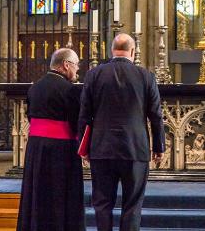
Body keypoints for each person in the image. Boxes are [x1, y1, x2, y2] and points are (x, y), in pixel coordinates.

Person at [78, 33, 165, 231]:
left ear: (112, 50)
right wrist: (159, 146)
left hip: (101, 148)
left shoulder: (94, 74)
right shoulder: (146, 76)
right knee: (132, 205)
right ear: (132, 52)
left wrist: (82, 147)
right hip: (135, 149)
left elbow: (84, 114)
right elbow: (156, 115)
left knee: (102, 204)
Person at [17, 48, 84, 231]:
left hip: (36, 149)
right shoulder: (70, 90)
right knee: (58, 196)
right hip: (61, 151)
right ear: (66, 65)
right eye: (76, 65)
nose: (77, 70)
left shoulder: (34, 87)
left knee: (37, 194)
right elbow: (76, 123)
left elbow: (31, 118)